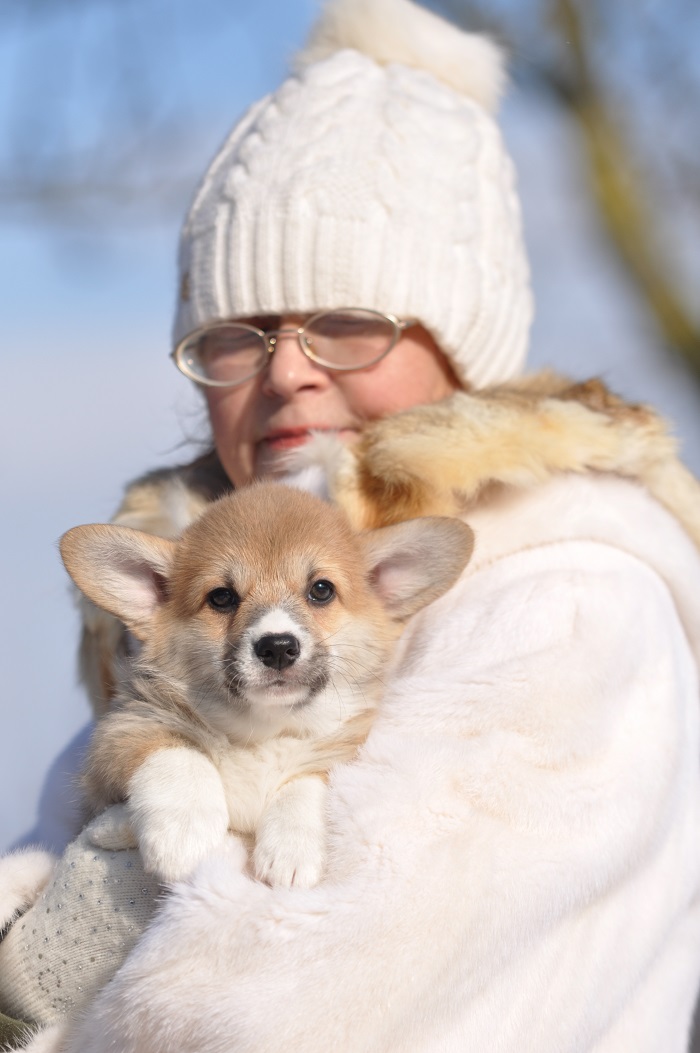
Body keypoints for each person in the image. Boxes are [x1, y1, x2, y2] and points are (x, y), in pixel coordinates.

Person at [3, 0, 700, 1050]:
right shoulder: (170, 629)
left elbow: (288, 1003)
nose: (287, 370)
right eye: (236, 337)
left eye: (344, 323)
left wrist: (39, 964)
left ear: (461, 351)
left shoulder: (568, 599)